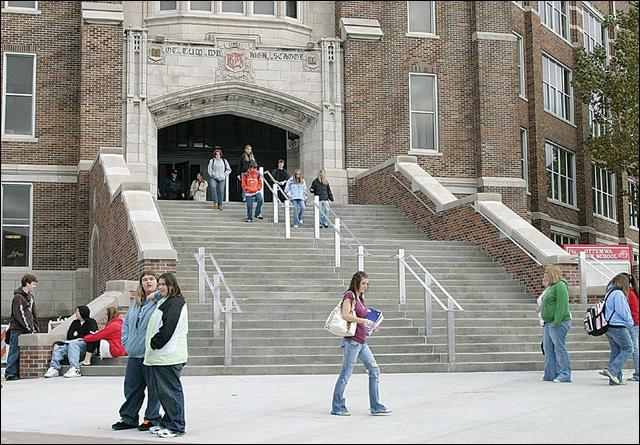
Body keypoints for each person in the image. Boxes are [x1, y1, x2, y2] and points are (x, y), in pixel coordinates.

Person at [331, 271, 391, 416]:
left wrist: (371, 325)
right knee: (346, 374)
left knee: (374, 370)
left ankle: (375, 405)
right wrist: (364, 321)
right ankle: (337, 407)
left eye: (367, 284)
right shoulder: (349, 295)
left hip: (362, 342)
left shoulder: (360, 299)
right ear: (356, 282)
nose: (366, 286)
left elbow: (362, 319)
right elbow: (346, 315)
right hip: (352, 342)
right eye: (363, 283)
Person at [112, 271, 162, 431]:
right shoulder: (136, 303)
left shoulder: (161, 301)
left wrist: (156, 294)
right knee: (131, 388)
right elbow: (126, 324)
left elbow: (171, 293)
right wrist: (126, 342)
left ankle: (152, 418)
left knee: (154, 389)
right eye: (145, 280)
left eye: (152, 279)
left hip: (151, 353)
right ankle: (129, 418)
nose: (148, 282)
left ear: (157, 282)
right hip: (134, 353)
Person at [144, 272, 189, 438]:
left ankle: (176, 426)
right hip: (161, 356)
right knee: (164, 393)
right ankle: (167, 422)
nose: (161, 287)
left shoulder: (175, 303)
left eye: (165, 284)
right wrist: (155, 294)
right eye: (160, 284)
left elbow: (169, 327)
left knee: (171, 392)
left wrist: (155, 342)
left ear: (173, 285)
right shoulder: (165, 300)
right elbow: (155, 295)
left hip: (168, 355)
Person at [44, 305, 98, 378]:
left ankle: (75, 369)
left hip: (85, 345)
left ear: (83, 312)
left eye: (77, 311)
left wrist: (77, 335)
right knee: (60, 348)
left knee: (73, 343)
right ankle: (54, 368)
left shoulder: (91, 321)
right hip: (73, 344)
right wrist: (79, 336)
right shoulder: (75, 322)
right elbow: (69, 336)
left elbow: (91, 336)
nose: (76, 313)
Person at [600, 273, 634, 385]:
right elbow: (623, 311)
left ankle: (615, 379)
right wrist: (630, 322)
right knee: (629, 348)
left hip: (608, 327)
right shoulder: (618, 294)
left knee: (616, 351)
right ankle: (612, 370)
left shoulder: (609, 293)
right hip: (618, 326)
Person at [540, 264, 572, 383]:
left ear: (553, 274)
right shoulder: (552, 287)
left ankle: (564, 374)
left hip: (558, 322)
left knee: (559, 348)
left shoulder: (560, 286)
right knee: (547, 348)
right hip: (548, 322)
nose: (545, 275)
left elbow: (562, 305)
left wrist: (557, 321)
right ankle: (550, 373)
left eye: (547, 273)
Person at [5, 273, 39, 380]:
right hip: (17, 329)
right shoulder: (18, 298)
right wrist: (28, 327)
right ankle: (10, 373)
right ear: (27, 283)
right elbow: (19, 315)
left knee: (23, 353)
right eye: (33, 284)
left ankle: (19, 372)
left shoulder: (31, 297)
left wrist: (35, 327)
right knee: (14, 352)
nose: (34, 286)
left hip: (28, 329)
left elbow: (34, 314)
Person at [624, 273, 639, 382]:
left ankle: (638, 374)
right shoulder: (635, 292)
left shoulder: (628, 294)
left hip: (633, 323)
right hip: (637, 322)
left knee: (634, 349)